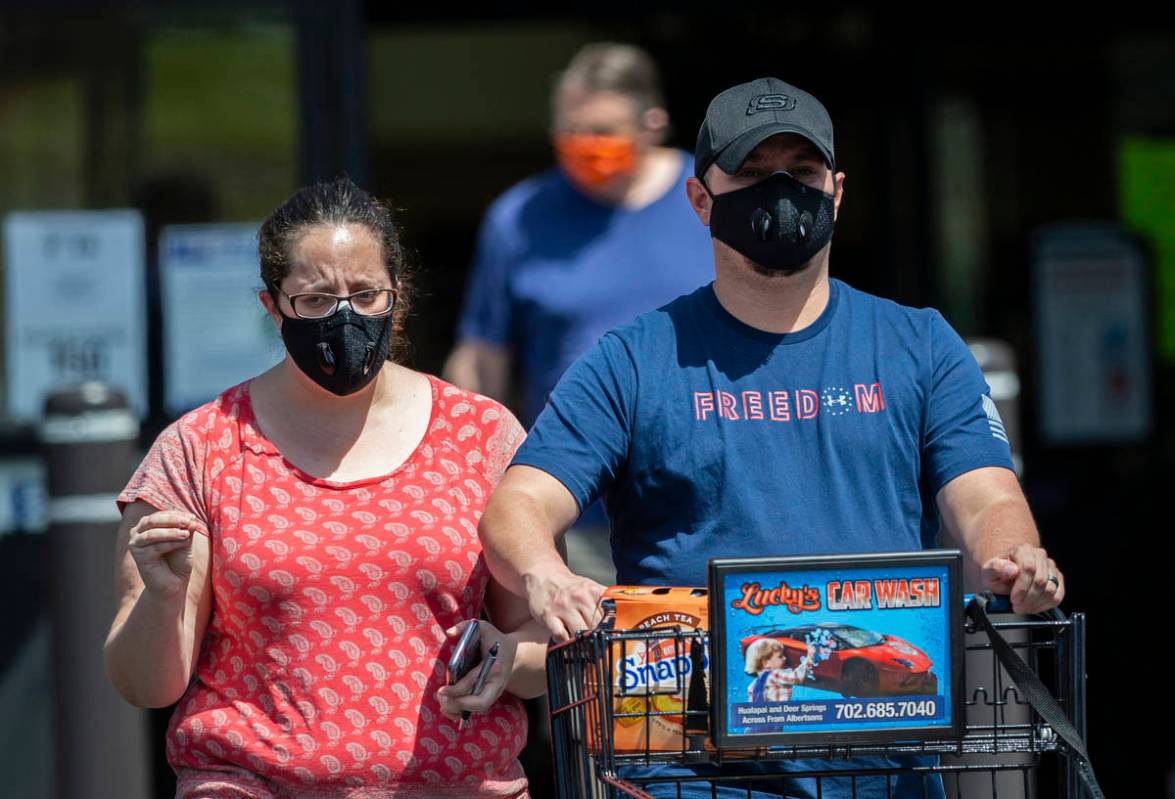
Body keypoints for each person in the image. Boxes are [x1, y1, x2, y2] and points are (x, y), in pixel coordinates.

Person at [477, 77, 1066, 798]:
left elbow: (983, 495)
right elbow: (518, 503)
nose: (781, 193)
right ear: (700, 201)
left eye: (802, 173)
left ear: (836, 190)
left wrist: (1009, 557)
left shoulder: (918, 343)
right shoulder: (633, 357)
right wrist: (545, 570)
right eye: (753, 175)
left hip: (883, 763)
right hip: (689, 771)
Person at [103, 178, 548, 799]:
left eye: (366, 295)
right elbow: (144, 685)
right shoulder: (200, 449)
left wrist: (505, 658)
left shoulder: (481, 435)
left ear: (399, 296)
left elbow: (539, 640)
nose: (345, 318)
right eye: (314, 301)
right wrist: (162, 594)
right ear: (271, 307)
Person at [444, 42, 714, 581]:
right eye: (570, 131)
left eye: (603, 131)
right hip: (574, 509)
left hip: (710, 503)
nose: (585, 146)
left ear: (653, 123)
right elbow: (481, 357)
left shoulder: (711, 200)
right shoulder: (519, 218)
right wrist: (472, 474)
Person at [745, 640, 817, 703]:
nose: (784, 658)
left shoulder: (752, 686)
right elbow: (797, 678)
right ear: (766, 663)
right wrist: (808, 659)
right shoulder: (775, 675)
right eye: (780, 656)